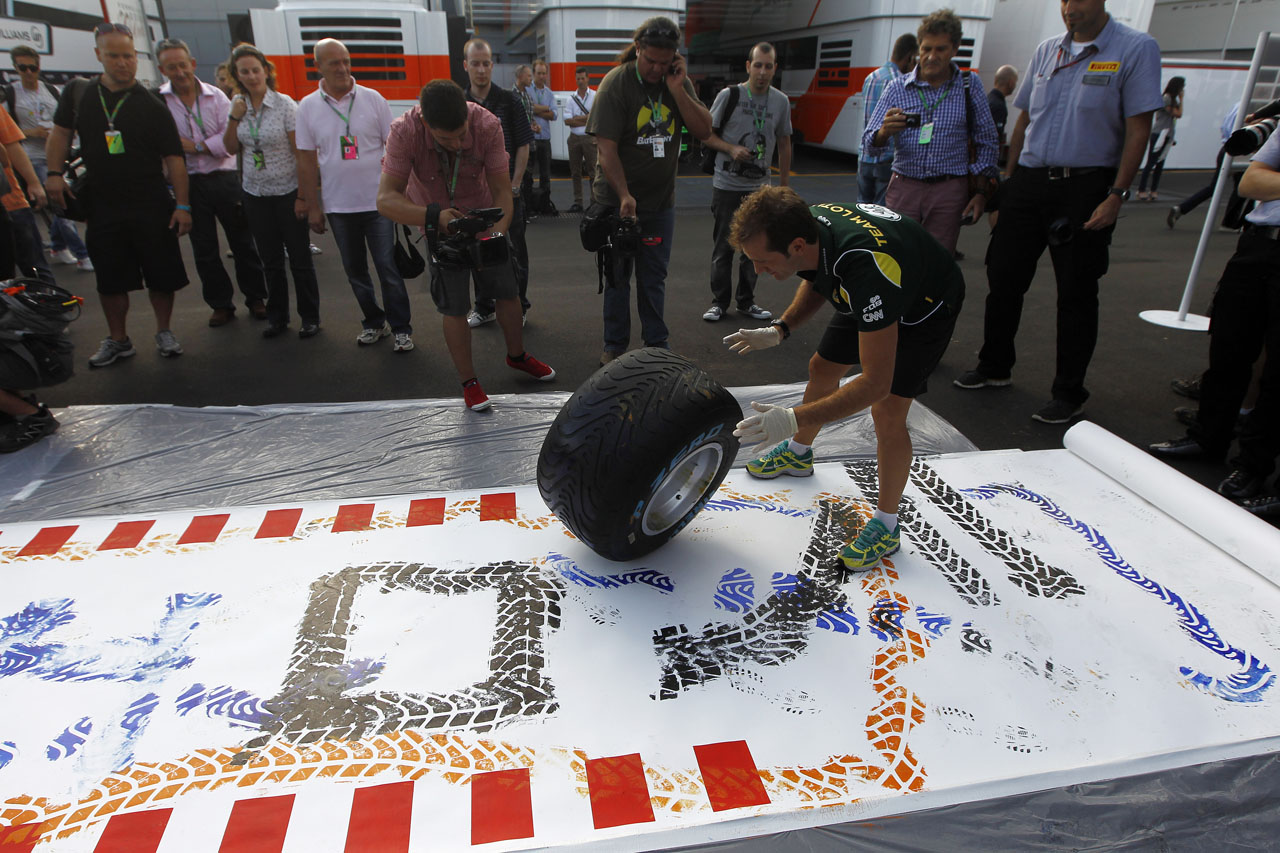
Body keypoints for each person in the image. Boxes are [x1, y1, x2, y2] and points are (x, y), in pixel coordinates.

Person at [721, 186, 964, 569]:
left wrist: (791, 417)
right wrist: (781, 329)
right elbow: (818, 276)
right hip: (877, 285)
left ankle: (887, 526)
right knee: (823, 367)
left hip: (924, 306)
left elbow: (874, 383)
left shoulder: (866, 270)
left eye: (762, 261)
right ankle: (799, 454)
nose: (757, 271)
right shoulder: (810, 228)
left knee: (887, 410)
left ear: (797, 245)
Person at [953, 0, 1162, 425]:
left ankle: (1068, 392)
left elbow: (1139, 127)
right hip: (1029, 180)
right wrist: (1007, 187)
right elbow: (1024, 120)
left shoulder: (1135, 48)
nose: (1070, 8)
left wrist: (1117, 194)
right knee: (1004, 276)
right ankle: (995, 366)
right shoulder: (1048, 50)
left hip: (1085, 185)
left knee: (1077, 291)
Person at [377, 79, 555, 411]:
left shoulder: (486, 124)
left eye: (462, 134)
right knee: (454, 307)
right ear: (426, 124)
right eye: (447, 138)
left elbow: (503, 192)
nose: (458, 144)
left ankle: (517, 356)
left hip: (486, 221)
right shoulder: (404, 132)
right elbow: (385, 200)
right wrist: (434, 217)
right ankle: (469, 382)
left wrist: (498, 232)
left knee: (508, 292)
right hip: (441, 230)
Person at [1148, 127, 1280, 516]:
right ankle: (1208, 438)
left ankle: (1253, 467)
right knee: (1229, 345)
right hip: (1259, 242)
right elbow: (1252, 181)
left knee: (1278, 372)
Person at [45, 21, 192, 368]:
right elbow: (60, 133)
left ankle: (164, 331)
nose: (123, 63)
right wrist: (53, 175)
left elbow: (174, 158)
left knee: (161, 273)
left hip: (151, 202)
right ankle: (118, 339)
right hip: (102, 203)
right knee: (110, 278)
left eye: (128, 56)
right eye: (114, 56)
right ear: (99, 55)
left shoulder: (152, 103)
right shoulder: (79, 93)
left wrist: (183, 205)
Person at [588, 16, 712, 363]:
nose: (657, 68)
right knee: (617, 276)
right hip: (617, 201)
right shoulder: (616, 84)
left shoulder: (676, 81)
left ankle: (656, 343)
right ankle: (614, 347)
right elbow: (606, 148)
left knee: (653, 276)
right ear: (638, 49)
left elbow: (703, 130)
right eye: (650, 61)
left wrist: (677, 88)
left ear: (674, 57)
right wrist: (625, 195)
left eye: (664, 62)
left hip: (659, 203)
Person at [296, 38, 412, 352]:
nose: (342, 68)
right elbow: (306, 160)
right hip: (338, 206)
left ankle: (401, 328)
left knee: (387, 267)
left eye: (345, 60)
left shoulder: (373, 99)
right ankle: (374, 322)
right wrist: (312, 205)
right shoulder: (307, 107)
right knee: (355, 271)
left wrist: (401, 194)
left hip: (378, 203)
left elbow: (394, 149)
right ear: (318, 66)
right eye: (334, 62)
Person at [860, 9, 998, 255]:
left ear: (954, 49)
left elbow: (987, 140)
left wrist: (979, 192)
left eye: (941, 49)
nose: (931, 56)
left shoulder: (969, 85)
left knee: (938, 260)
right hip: (904, 188)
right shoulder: (896, 88)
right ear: (918, 49)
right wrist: (883, 133)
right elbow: (869, 144)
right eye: (926, 49)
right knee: (898, 257)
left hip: (948, 191)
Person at [156, 38, 267, 328]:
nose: (179, 72)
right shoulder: (159, 101)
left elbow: (229, 140)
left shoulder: (216, 96)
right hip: (188, 181)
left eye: (182, 65)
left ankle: (256, 298)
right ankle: (220, 304)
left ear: (192, 64)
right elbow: (163, 143)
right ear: (162, 69)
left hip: (223, 177)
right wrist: (197, 146)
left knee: (243, 243)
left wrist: (196, 147)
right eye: (171, 67)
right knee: (203, 248)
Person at [222, 42, 320, 340]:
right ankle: (278, 316)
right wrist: (234, 117)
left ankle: (310, 317)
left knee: (300, 259)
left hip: (287, 191)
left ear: (266, 71)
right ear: (236, 76)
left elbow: (301, 153)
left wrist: (304, 196)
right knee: (270, 260)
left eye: (256, 70)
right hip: (255, 193)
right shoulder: (238, 106)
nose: (251, 76)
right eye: (244, 72)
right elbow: (228, 148)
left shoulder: (286, 106)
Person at [700, 42, 792, 323]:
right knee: (724, 247)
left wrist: (783, 187)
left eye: (768, 66)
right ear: (748, 66)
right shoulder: (729, 96)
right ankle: (719, 302)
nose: (762, 72)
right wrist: (730, 149)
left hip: (759, 187)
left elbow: (785, 143)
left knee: (755, 249)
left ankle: (746, 302)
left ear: (774, 68)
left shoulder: (780, 101)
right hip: (727, 184)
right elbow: (706, 134)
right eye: (758, 65)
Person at [462, 39, 532, 327]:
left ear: (492, 65)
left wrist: (514, 185)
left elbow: (524, 144)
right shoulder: (459, 103)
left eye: (485, 63)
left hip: (507, 193)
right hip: (474, 197)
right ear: (465, 65)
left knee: (513, 250)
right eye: (475, 63)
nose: (480, 69)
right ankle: (484, 305)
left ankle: (520, 304)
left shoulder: (509, 101)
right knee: (476, 251)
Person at [4, 46, 91, 271]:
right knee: (60, 204)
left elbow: (64, 119)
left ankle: (57, 246)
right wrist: (33, 133)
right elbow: (8, 134)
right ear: (16, 68)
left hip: (55, 155)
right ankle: (82, 254)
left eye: (33, 67)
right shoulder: (11, 93)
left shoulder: (50, 90)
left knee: (58, 203)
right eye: (23, 68)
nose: (29, 72)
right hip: (31, 156)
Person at [856, 33, 917, 205]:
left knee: (862, 210)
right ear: (910, 57)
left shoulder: (871, 77)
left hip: (864, 157)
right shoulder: (900, 82)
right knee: (881, 216)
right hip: (886, 158)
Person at [0, 106, 54, 285]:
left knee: (36, 270)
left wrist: (34, 182)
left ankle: (49, 309)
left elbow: (11, 146)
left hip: (11, 203)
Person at [1136, 76, 1184, 201]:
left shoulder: (1172, 99)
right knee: (1151, 162)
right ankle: (1141, 189)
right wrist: (1182, 99)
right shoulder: (1166, 98)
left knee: (1160, 163)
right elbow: (1178, 114)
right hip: (1160, 133)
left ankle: (1153, 189)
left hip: (1167, 134)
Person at [563, 67, 597, 213]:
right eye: (578, 78)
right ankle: (578, 202)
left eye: (583, 78)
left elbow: (596, 117)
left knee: (593, 171)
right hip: (574, 138)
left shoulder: (595, 96)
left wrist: (578, 118)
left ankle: (595, 201)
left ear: (587, 79)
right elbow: (567, 121)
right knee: (575, 172)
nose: (580, 81)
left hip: (590, 138)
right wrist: (586, 118)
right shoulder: (571, 99)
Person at [526, 60, 557, 207]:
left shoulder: (550, 93)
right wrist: (545, 108)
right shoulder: (527, 91)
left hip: (545, 139)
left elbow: (554, 115)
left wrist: (537, 109)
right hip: (530, 139)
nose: (541, 76)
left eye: (544, 73)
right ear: (533, 74)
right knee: (528, 175)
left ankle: (545, 204)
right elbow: (527, 108)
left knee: (545, 174)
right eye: (539, 73)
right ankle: (530, 205)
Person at [987, 64, 1018, 167]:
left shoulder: (988, 99)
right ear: (1011, 83)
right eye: (1015, 82)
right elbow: (993, 138)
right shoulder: (998, 106)